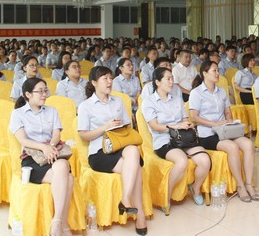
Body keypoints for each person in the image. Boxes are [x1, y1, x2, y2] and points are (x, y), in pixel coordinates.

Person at [78, 66, 147, 235]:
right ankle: (140, 216)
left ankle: (126, 199)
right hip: (99, 152)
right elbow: (84, 135)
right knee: (136, 168)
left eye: (110, 78)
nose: (110, 82)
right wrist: (105, 127)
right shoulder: (86, 106)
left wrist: (120, 125)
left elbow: (128, 126)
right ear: (94, 83)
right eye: (105, 79)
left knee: (133, 150)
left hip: (120, 145)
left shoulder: (118, 101)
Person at [10, 78, 74, 236]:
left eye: (46, 90)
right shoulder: (18, 114)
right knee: (68, 178)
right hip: (32, 158)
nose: (44, 94)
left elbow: (56, 134)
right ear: (28, 94)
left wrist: (50, 146)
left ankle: (56, 222)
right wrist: (43, 147)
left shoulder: (52, 111)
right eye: (40, 91)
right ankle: (63, 224)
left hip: (52, 153)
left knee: (62, 166)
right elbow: (23, 140)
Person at [189, 61, 259, 203]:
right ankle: (240, 186)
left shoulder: (221, 91)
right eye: (214, 71)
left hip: (225, 130)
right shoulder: (196, 93)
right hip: (208, 134)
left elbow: (227, 111)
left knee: (248, 144)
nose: (217, 73)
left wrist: (229, 121)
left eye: (217, 70)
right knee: (232, 147)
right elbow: (194, 117)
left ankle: (248, 184)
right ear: (204, 73)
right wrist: (214, 124)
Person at [141, 67, 210, 210]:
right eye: (168, 79)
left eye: (172, 78)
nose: (172, 82)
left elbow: (185, 119)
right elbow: (155, 126)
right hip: (164, 141)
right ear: (157, 82)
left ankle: (196, 188)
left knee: (205, 160)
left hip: (184, 139)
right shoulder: (149, 102)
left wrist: (187, 124)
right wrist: (176, 126)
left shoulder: (177, 99)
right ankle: (165, 195)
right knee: (182, 161)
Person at [113, 57, 142, 124]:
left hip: (137, 106)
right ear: (121, 68)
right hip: (124, 108)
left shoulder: (136, 79)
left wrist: (134, 101)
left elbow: (139, 93)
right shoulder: (116, 81)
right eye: (128, 65)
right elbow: (121, 99)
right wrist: (133, 102)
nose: (131, 67)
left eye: (132, 65)